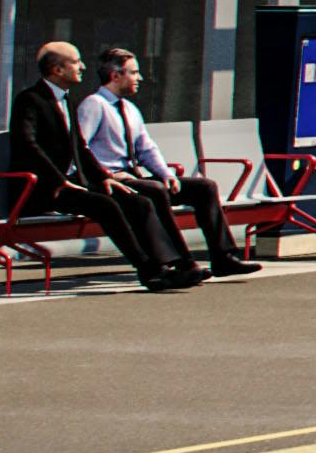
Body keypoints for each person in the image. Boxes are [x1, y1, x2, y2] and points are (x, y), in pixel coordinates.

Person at [10, 40, 185, 290]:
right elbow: (27, 146)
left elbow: (80, 148)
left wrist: (104, 177)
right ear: (57, 70)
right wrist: (60, 182)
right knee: (106, 205)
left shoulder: (66, 100)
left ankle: (167, 266)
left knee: (138, 200)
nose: (82, 67)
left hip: (71, 186)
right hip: (43, 190)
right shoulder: (29, 100)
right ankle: (149, 270)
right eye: (75, 62)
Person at [79, 46, 255, 279]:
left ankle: (223, 257)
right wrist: (106, 176)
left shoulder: (129, 109)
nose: (140, 78)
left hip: (135, 179)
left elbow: (146, 147)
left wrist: (165, 173)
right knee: (155, 190)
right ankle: (184, 262)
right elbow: (81, 149)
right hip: (113, 182)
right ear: (115, 76)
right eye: (134, 72)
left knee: (204, 187)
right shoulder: (93, 105)